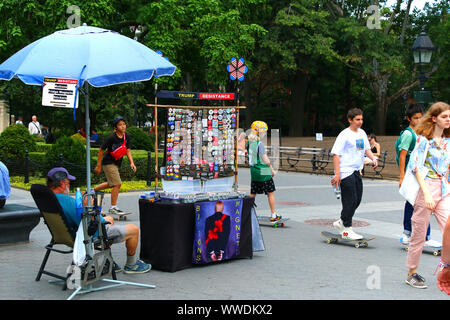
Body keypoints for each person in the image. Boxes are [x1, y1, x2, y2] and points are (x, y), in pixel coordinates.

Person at [47, 167, 151, 274]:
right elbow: (87, 221)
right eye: (68, 183)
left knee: (109, 218)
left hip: (65, 235)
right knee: (134, 230)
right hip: (86, 235)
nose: (69, 185)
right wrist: (90, 206)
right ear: (61, 183)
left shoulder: (49, 199)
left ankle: (108, 261)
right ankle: (131, 265)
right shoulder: (67, 201)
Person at [405, 101, 450, 289]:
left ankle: (445, 267)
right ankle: (412, 273)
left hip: (444, 188)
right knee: (419, 234)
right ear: (434, 119)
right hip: (426, 189)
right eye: (444, 116)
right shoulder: (424, 140)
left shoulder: (448, 142)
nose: (448, 119)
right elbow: (416, 167)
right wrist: (427, 195)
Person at [331, 108, 378, 240]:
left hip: (357, 170)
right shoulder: (344, 135)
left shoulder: (362, 133)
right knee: (350, 200)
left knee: (357, 199)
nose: (360, 122)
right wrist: (337, 174)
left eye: (361, 119)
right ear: (350, 120)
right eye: (357, 119)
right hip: (345, 171)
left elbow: (365, 149)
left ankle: (341, 222)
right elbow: (336, 155)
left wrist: (373, 158)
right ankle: (346, 228)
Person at [396, 104, 437, 247]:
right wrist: (402, 177)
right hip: (412, 174)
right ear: (409, 118)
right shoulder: (409, 134)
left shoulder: (422, 132)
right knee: (415, 202)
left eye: (420, 117)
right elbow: (402, 156)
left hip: (421, 173)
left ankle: (413, 234)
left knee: (416, 203)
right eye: (415, 118)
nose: (418, 120)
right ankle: (413, 234)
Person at [94, 116, 136, 215]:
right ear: (116, 127)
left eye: (124, 124)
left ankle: (92, 190)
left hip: (116, 163)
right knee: (117, 184)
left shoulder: (127, 136)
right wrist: (98, 165)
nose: (123, 126)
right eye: (120, 125)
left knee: (112, 183)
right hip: (108, 162)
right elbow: (101, 150)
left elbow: (128, 151)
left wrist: (132, 162)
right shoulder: (111, 137)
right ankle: (113, 207)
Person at [246, 120, 280, 222]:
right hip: (263, 171)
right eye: (264, 131)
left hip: (254, 171)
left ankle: (246, 213)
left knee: (253, 193)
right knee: (270, 193)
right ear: (258, 132)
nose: (265, 134)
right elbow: (266, 160)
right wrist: (272, 170)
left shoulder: (249, 143)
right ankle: (273, 215)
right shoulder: (259, 144)